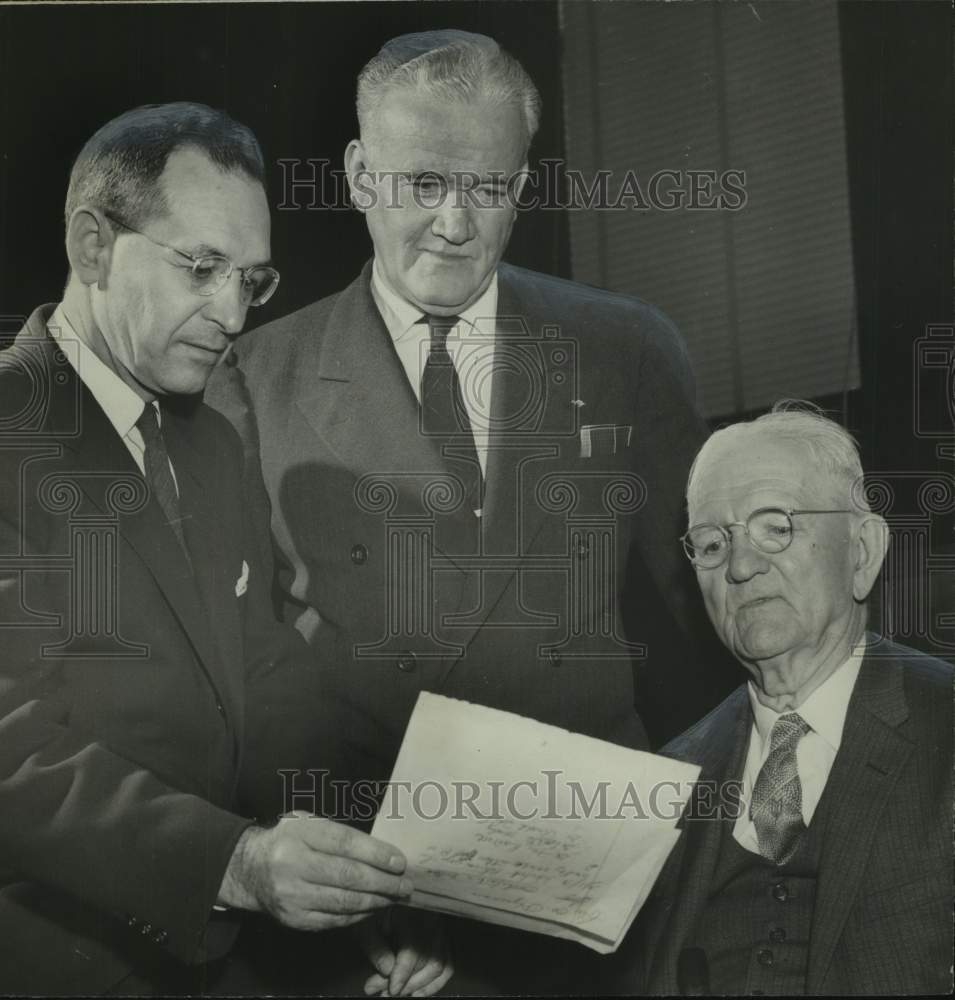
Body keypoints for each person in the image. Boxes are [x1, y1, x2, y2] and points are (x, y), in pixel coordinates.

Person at [205, 29, 736, 993]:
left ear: (522, 184)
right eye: (421, 184)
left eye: (487, 188)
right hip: (374, 908)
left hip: (597, 896)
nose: (454, 222)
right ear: (361, 176)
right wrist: (352, 878)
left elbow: (701, 640)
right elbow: (253, 669)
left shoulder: (626, 350)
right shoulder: (252, 380)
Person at [0, 102, 450, 997]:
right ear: (92, 245)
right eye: (201, 268)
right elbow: (12, 756)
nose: (230, 313)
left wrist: (364, 872)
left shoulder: (208, 446)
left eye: (251, 279)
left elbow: (266, 675)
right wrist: (242, 864)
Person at [626, 403, 952, 995]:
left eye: (776, 526)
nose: (742, 566)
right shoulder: (666, 778)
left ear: (862, 552)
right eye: (712, 543)